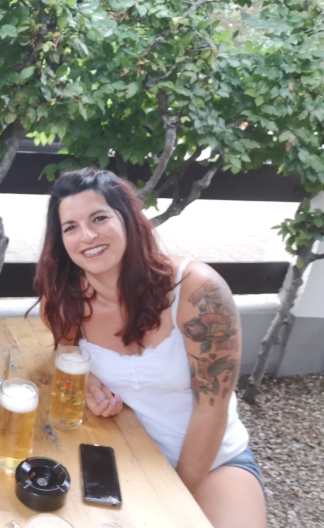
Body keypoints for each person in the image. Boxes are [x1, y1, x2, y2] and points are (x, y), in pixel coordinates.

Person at [34, 168, 267, 528]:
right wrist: (88, 380)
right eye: (71, 227)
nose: (88, 236)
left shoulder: (197, 290)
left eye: (99, 218)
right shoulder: (65, 297)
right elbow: (65, 352)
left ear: (128, 219)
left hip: (212, 462)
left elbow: (212, 411)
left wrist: (172, 501)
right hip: (124, 451)